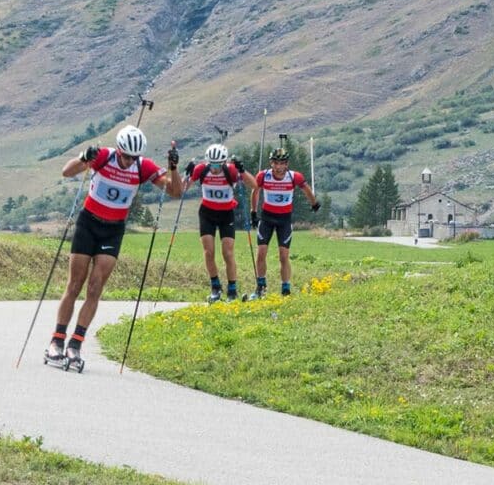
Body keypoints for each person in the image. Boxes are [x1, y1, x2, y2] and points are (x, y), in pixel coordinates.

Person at [46, 125, 181, 365]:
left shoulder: (142, 166)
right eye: (126, 156)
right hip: (88, 223)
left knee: (95, 287)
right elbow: (67, 172)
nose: (130, 161)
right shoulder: (103, 156)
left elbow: (175, 192)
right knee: (75, 284)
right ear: (118, 150)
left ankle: (75, 344)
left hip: (113, 230)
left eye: (134, 157)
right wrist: (84, 157)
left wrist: (173, 168)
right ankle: (57, 340)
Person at [183, 143, 257, 302]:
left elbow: (254, 185)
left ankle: (232, 290)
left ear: (224, 162)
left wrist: (242, 171)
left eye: (218, 164)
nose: (214, 168)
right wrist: (186, 174)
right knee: (208, 251)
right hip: (207, 213)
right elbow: (183, 188)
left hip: (226, 214)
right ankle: (215, 287)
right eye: (212, 164)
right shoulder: (201, 170)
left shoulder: (230, 170)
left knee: (227, 253)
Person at [248, 146, 319, 298]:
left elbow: (306, 189)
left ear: (287, 164)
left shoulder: (294, 177)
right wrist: (253, 212)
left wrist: (314, 203)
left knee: (283, 256)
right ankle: (260, 287)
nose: (279, 167)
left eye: (282, 163)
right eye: (275, 163)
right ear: (271, 163)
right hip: (267, 218)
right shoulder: (264, 176)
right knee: (261, 253)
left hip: (284, 220)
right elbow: (255, 192)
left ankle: (285, 287)